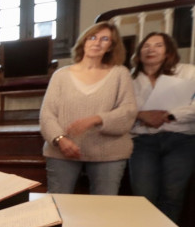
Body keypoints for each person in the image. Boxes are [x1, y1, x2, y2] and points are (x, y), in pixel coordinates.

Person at [40, 21, 137, 194]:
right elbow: (47, 114)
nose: (97, 42)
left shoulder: (120, 73)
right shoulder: (61, 75)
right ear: (84, 41)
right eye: (92, 37)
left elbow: (128, 111)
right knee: (57, 201)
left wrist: (96, 119)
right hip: (62, 150)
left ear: (110, 47)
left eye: (104, 39)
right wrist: (60, 139)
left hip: (109, 152)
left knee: (103, 205)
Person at [128, 31, 195, 223]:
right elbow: (121, 109)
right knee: (143, 195)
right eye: (146, 46)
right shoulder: (129, 78)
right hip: (142, 141)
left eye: (158, 45)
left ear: (168, 51)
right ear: (139, 52)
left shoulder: (188, 72)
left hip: (181, 140)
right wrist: (141, 115)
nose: (151, 49)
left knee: (172, 195)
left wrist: (169, 115)